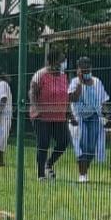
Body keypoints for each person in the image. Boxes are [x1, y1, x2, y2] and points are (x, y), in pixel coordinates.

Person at [29, 53, 71, 181]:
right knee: (43, 143)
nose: (64, 63)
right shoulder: (40, 75)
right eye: (61, 60)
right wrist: (36, 107)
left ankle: (49, 163)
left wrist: (69, 113)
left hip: (59, 116)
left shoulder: (64, 76)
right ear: (52, 62)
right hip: (42, 116)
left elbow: (66, 95)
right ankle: (41, 174)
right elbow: (32, 92)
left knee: (64, 141)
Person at [67, 58, 109, 183]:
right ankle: (82, 174)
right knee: (83, 143)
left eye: (88, 69)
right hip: (79, 117)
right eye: (83, 70)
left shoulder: (97, 82)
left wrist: (107, 114)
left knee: (91, 147)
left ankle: (85, 170)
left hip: (94, 116)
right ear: (78, 70)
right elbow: (72, 98)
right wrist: (80, 84)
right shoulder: (74, 82)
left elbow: (104, 100)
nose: (86, 72)